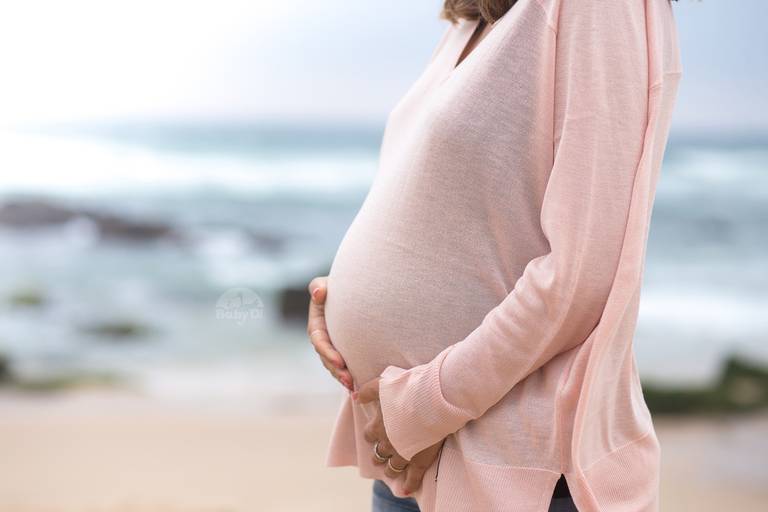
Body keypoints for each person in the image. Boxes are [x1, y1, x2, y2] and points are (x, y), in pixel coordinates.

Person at [307, 0, 683, 510]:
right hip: (410, 460)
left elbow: (582, 275)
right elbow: (461, 209)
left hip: (515, 475)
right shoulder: (476, 17)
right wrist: (335, 297)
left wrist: (424, 408)